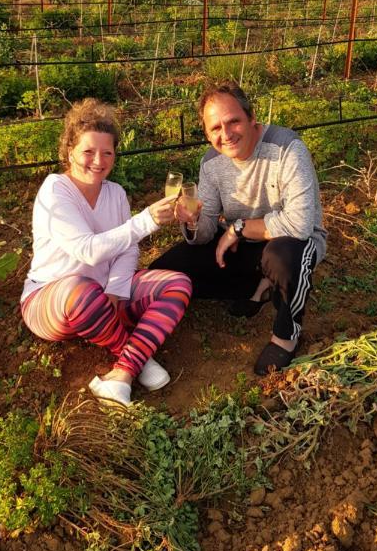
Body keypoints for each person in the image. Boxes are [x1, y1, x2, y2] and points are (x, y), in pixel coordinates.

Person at [20, 99, 192, 407]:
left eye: (107, 152)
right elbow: (86, 250)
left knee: (178, 283)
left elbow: (127, 250)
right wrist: (146, 221)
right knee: (80, 291)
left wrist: (115, 288)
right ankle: (134, 353)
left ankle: (123, 372)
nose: (98, 160)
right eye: (88, 151)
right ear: (70, 150)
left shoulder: (116, 193)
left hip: (104, 298)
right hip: (54, 301)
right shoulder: (55, 190)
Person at [150, 81, 326, 376]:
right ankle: (256, 285)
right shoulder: (211, 163)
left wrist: (238, 228)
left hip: (288, 240)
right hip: (241, 244)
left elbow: (299, 223)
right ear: (206, 133)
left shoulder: (286, 148)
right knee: (163, 270)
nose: (226, 134)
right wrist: (192, 221)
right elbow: (206, 232)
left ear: (252, 117)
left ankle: (286, 333)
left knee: (284, 257)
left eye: (233, 122)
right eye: (215, 128)